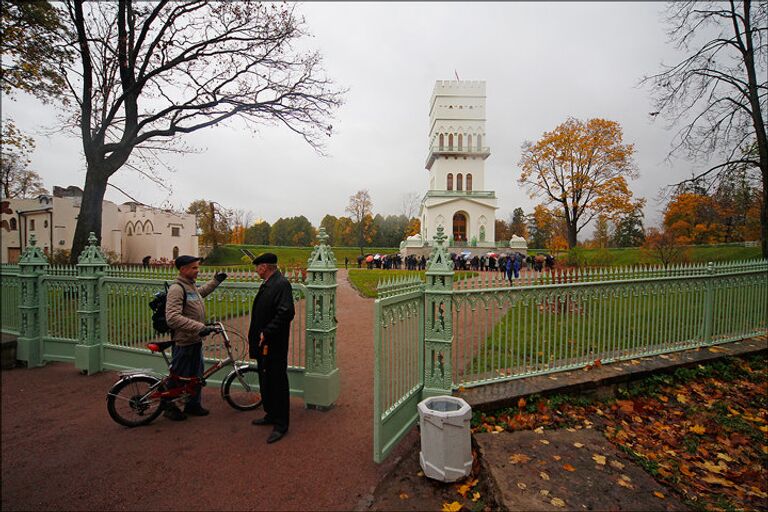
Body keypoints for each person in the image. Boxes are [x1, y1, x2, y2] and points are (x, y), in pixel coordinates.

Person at [164, 255, 227, 421]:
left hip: (195, 340)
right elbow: (172, 317)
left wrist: (215, 282)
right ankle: (169, 407)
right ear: (183, 269)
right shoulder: (177, 289)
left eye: (197, 267)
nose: (197, 271)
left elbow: (200, 294)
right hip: (184, 342)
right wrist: (200, 327)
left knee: (196, 376)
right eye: (194, 268)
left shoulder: (189, 287)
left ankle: (193, 405)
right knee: (178, 376)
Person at [248, 252, 296, 444]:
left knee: (277, 382)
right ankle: (270, 414)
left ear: (264, 267)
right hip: (264, 344)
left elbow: (286, 312)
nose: (256, 271)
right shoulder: (270, 283)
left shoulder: (281, 284)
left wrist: (267, 332)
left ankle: (281, 423)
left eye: (257, 267)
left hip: (273, 344)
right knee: (266, 379)